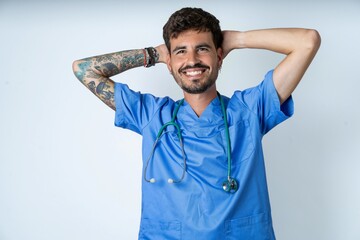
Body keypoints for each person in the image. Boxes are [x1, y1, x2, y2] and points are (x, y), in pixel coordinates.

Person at [72, 7, 320, 240]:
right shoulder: (150, 114)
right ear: (169, 63)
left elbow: (307, 41)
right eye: (181, 51)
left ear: (219, 56)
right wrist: (153, 54)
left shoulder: (251, 110)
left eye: (202, 49)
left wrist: (237, 39)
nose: (192, 60)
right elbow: (84, 69)